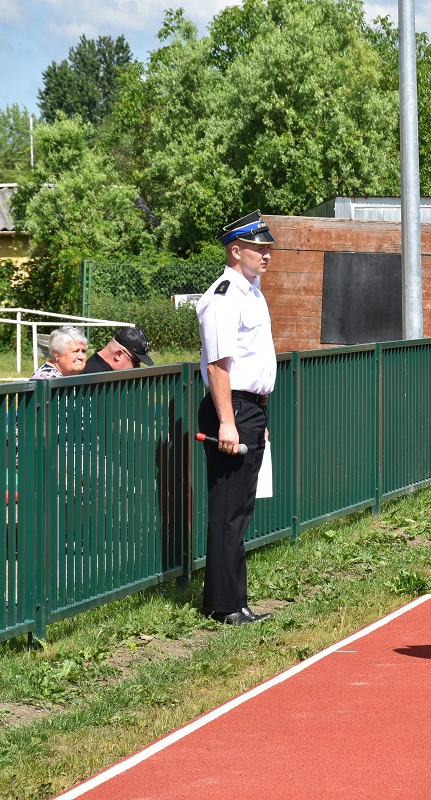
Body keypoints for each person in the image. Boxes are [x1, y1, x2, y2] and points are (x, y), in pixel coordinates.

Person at [196, 210, 277, 625]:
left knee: (240, 507)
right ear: (235, 250)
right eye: (258, 248)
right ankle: (224, 605)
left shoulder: (251, 291)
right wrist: (227, 421)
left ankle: (235, 600)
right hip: (234, 408)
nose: (266, 254)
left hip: (249, 408)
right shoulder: (225, 294)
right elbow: (217, 366)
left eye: (266, 248)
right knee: (229, 508)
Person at [82, 326, 154, 374]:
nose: (138, 367)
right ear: (118, 354)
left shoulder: (108, 374)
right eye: (135, 362)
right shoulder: (95, 379)